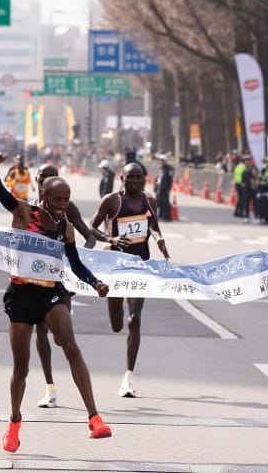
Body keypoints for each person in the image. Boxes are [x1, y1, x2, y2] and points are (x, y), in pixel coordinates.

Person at [0, 151, 112, 452]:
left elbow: (76, 263)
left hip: (50, 294)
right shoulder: (24, 213)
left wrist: (95, 282)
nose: (63, 205)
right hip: (20, 295)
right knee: (22, 369)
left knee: (71, 347)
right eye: (57, 199)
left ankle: (94, 418)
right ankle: (14, 422)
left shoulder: (66, 227)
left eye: (66, 199)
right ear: (44, 197)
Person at [90, 162, 169, 398]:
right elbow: (92, 228)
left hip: (139, 267)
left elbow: (153, 226)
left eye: (138, 177)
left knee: (134, 320)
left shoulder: (149, 201)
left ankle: (128, 378)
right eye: (130, 177)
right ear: (121, 178)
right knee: (117, 325)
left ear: (144, 180)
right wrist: (111, 239)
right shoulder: (111, 201)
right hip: (115, 267)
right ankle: (117, 307)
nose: (134, 181)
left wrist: (158, 239)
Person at [27, 163, 97, 409]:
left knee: (62, 339)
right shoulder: (28, 209)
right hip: (35, 282)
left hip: (61, 279)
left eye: (52, 177)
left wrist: (79, 258)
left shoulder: (67, 206)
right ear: (38, 182)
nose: (46, 180)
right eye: (43, 177)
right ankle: (50, 388)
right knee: (40, 331)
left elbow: (89, 237)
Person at [155, 156, 173, 221]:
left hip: (165, 188)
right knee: (159, 202)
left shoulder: (169, 169)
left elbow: (170, 179)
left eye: (163, 161)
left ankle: (167, 216)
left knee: (165, 202)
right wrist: (156, 187)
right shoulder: (161, 169)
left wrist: (168, 188)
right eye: (161, 161)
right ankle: (160, 215)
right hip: (160, 188)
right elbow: (159, 179)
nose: (161, 162)